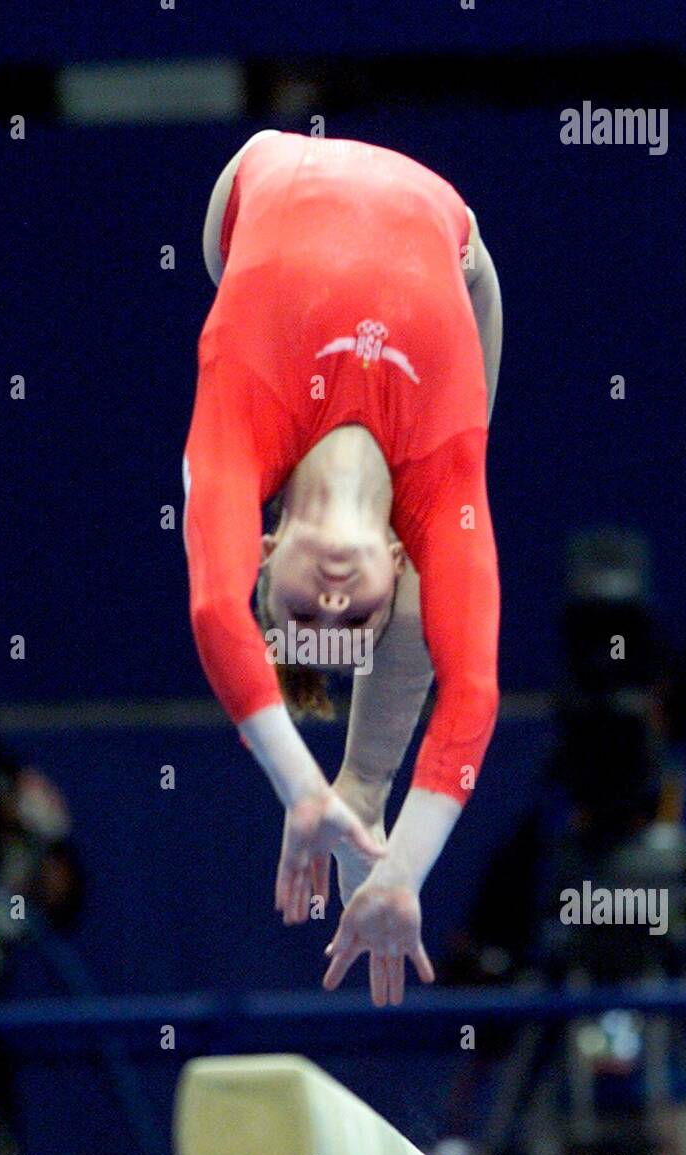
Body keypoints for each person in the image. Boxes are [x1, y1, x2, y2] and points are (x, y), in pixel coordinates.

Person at [183, 131, 502, 1004]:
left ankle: (353, 785)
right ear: (388, 561)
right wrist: (401, 873)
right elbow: (474, 692)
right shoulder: (443, 473)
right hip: (454, 257)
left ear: (268, 549)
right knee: (447, 580)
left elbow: (215, 610)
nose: (328, 601)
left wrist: (302, 788)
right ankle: (367, 787)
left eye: (300, 614)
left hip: (253, 188)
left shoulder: (237, 433)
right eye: (349, 616)